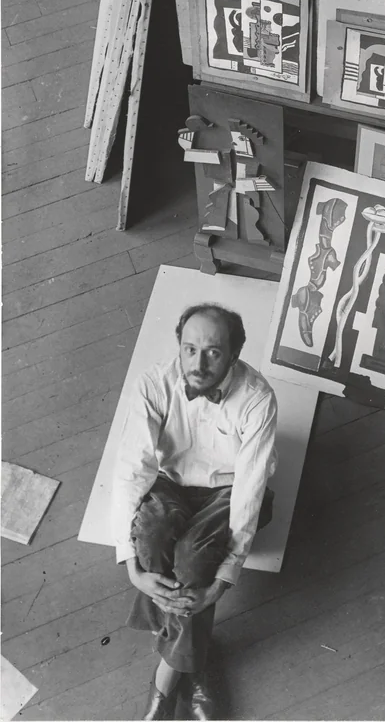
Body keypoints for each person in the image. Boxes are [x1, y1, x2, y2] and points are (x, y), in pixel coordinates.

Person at [112, 303, 278, 720]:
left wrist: (222, 580)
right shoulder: (154, 383)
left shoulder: (257, 398)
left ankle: (166, 681)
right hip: (170, 483)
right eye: (189, 349)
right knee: (149, 536)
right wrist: (131, 565)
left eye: (212, 352)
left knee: (193, 558)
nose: (197, 363)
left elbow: (250, 487)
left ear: (235, 353)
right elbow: (133, 470)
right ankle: (193, 658)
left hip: (226, 488)